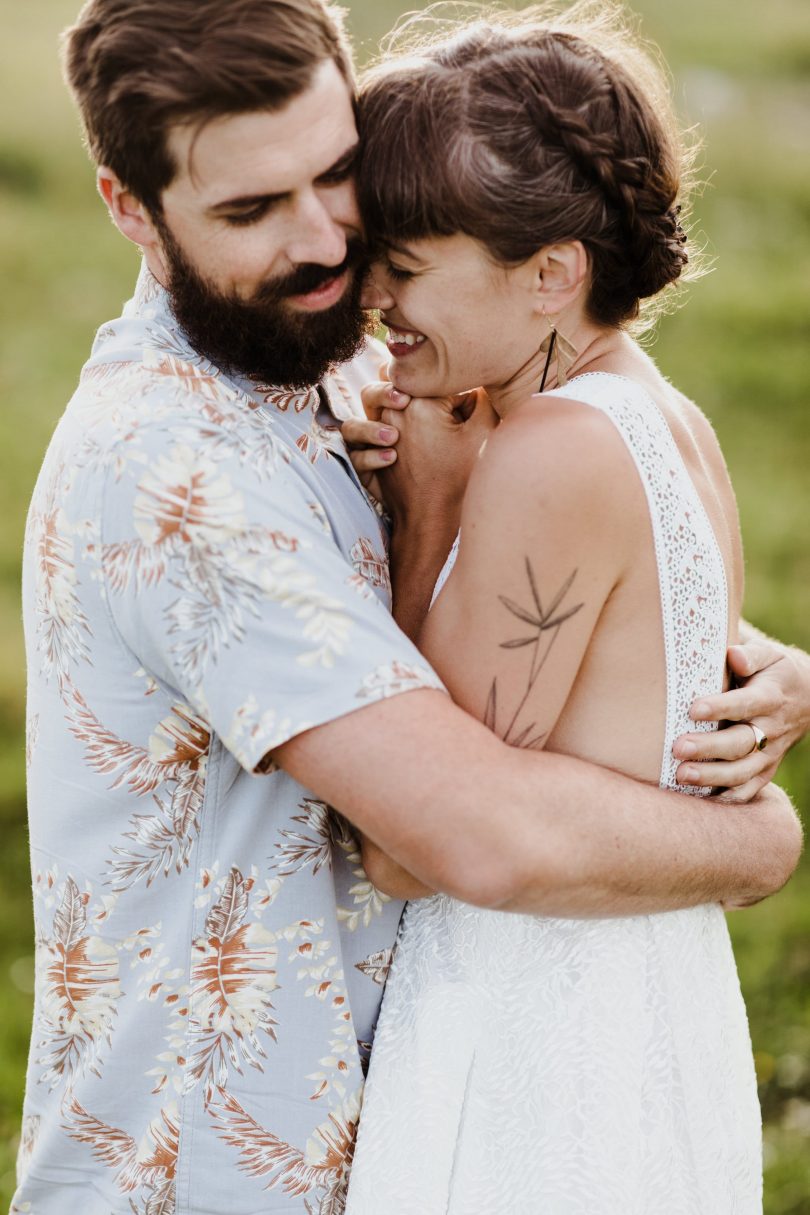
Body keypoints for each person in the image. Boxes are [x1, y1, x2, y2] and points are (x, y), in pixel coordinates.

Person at [14, 0, 806, 1212]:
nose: (331, 243)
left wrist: (730, 655)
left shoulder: (336, 354)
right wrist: (758, 840)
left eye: (339, 176)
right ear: (129, 206)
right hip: (208, 1177)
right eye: (249, 209)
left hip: (442, 1112)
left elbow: (550, 594)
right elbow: (463, 832)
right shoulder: (174, 469)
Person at [338, 5, 807, 1212]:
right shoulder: (668, 420)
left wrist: (427, 507)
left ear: (551, 275)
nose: (374, 299)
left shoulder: (550, 451)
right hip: (646, 1004)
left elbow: (409, 840)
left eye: (406, 265)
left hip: (538, 1045)